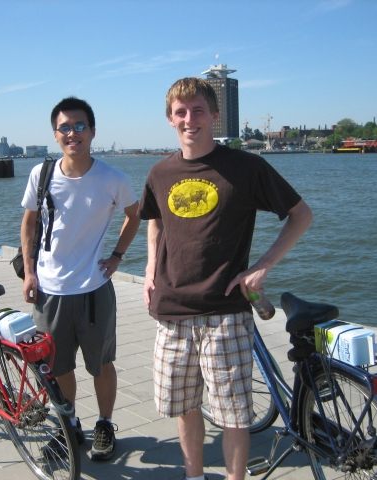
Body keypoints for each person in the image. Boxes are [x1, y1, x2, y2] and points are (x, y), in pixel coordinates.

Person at [139, 78, 313, 480]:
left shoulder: (246, 167)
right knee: (184, 407)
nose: (189, 119)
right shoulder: (160, 172)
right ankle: (194, 475)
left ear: (215, 116)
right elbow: (154, 220)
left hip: (227, 312)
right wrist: (149, 269)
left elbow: (300, 214)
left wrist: (263, 265)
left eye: (198, 110)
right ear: (170, 119)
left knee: (234, 415)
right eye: (180, 112)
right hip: (172, 311)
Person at [20, 96, 141, 461]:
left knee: (101, 363)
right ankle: (69, 426)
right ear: (55, 135)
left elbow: (135, 216)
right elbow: (28, 222)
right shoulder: (40, 175)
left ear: (92, 132)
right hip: (48, 291)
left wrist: (117, 256)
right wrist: (29, 271)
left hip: (93, 290)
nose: (72, 134)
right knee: (57, 368)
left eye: (79, 127)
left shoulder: (112, 178)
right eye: (65, 128)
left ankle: (104, 424)